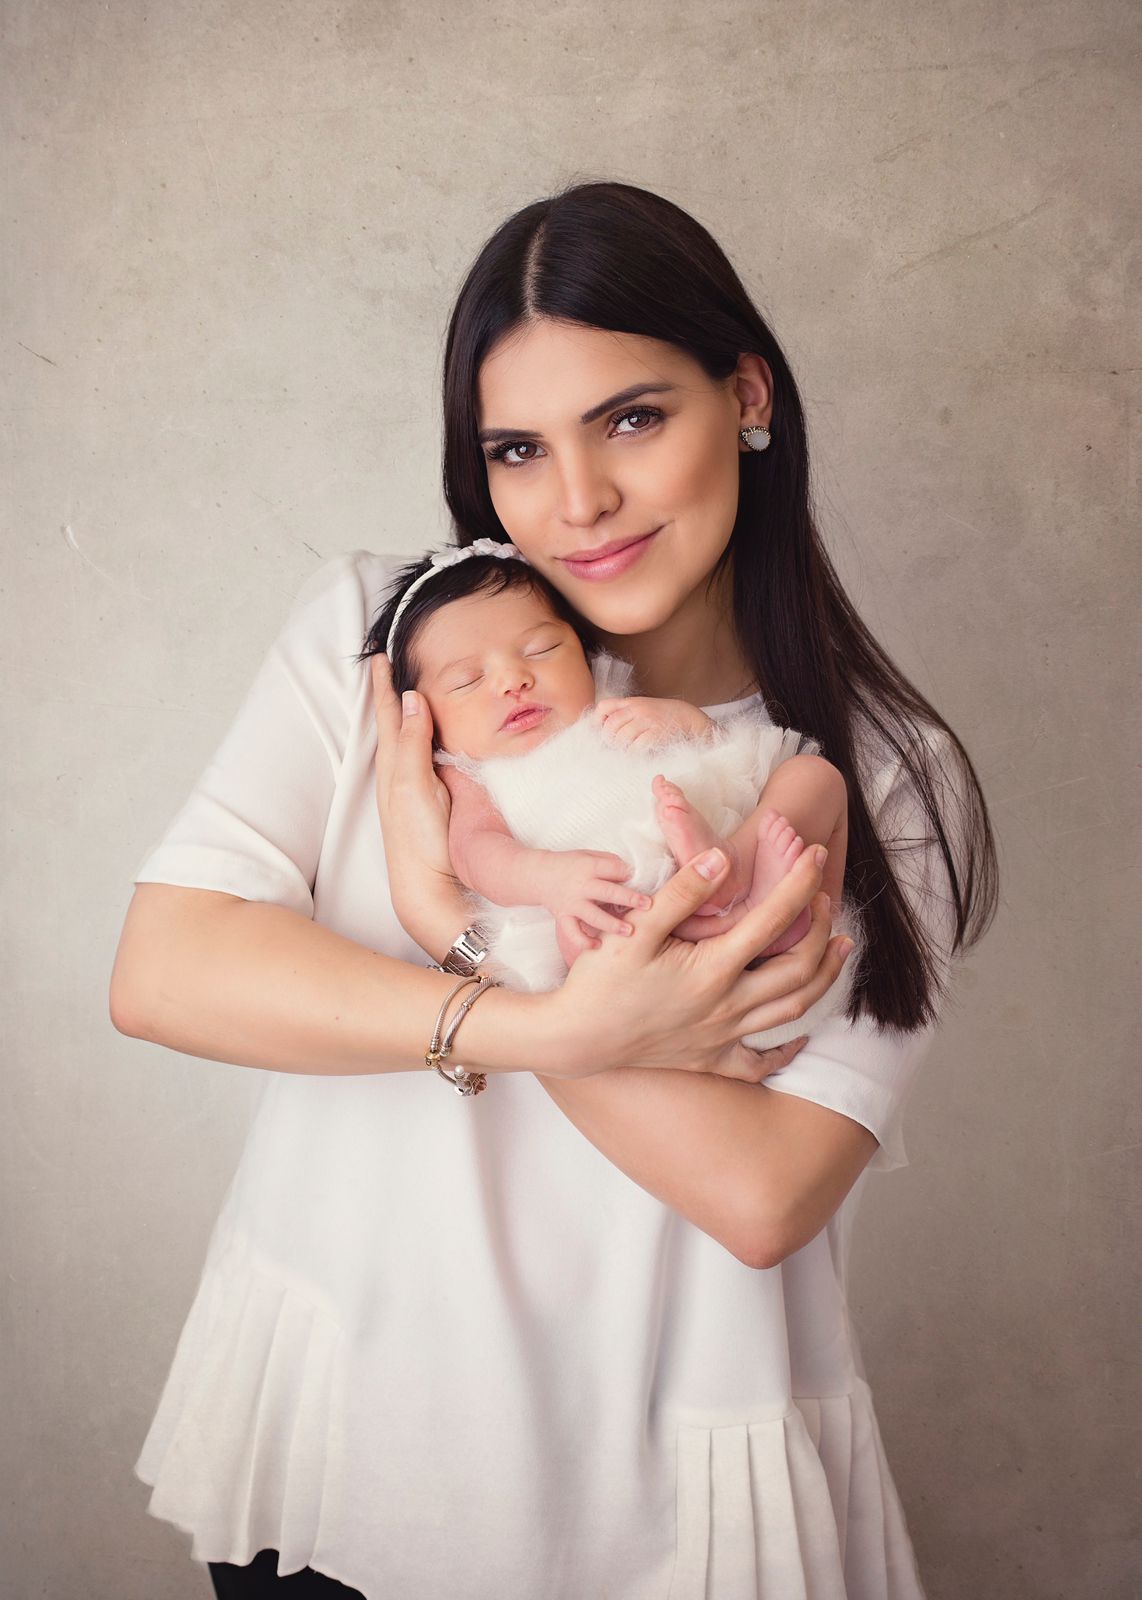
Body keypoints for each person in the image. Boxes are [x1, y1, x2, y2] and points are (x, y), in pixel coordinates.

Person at [110, 180, 997, 1600]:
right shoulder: (389, 644)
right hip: (345, 1439)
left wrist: (456, 914)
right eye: (516, 448)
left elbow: (762, 1193)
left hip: (664, 1500)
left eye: (631, 419)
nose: (574, 501)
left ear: (747, 395)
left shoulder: (881, 778)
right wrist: (544, 1015)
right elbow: (164, 970)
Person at [367, 537, 857, 1049]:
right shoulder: (470, 773)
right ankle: (742, 910)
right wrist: (549, 880)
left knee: (812, 776)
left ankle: (739, 877)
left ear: (582, 650)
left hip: (724, 845)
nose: (514, 679)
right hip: (617, 911)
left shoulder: (611, 704)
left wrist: (684, 722)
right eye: (468, 681)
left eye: (542, 650)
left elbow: (724, 760)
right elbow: (476, 852)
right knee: (576, 944)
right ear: (424, 718)